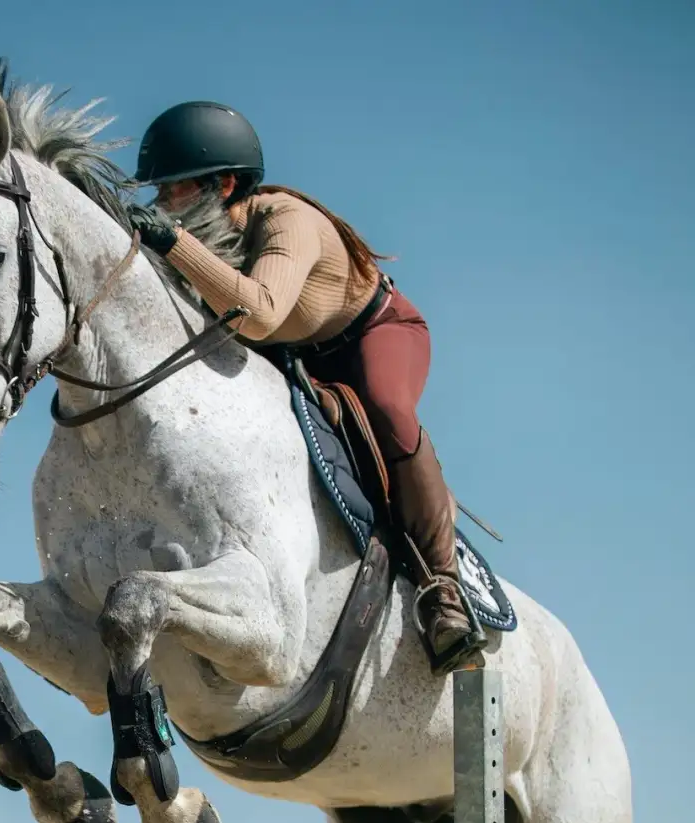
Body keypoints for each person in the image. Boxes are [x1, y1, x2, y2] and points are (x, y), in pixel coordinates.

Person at [128, 100, 486, 676]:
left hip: (373, 332)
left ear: (222, 185)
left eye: (172, 190)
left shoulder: (285, 221)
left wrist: (171, 244)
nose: (162, 204)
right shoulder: (209, 228)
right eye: (159, 193)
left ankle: (442, 592)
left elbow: (263, 313)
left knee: (388, 405)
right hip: (295, 352)